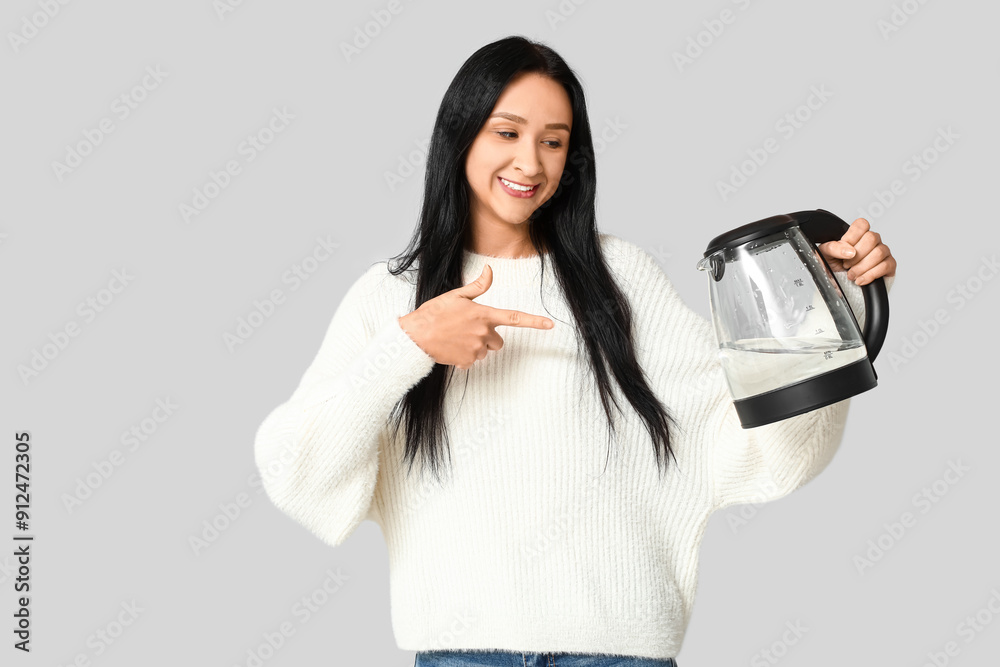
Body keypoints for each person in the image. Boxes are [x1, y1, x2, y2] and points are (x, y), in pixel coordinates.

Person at [252, 35, 897, 667]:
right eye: (507, 132)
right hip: (463, 655)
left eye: (553, 141)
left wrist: (821, 302)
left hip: (621, 656)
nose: (530, 164)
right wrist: (409, 346)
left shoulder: (622, 278)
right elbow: (295, 472)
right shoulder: (389, 298)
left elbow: (763, 446)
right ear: (460, 135)